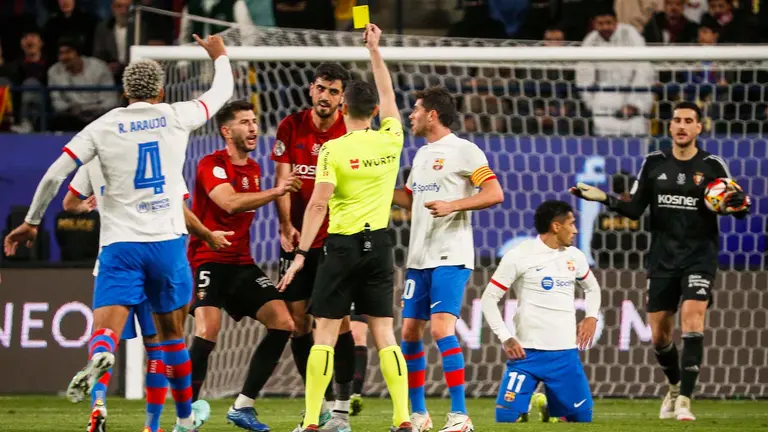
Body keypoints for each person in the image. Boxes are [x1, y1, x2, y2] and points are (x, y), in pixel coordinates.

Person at [3, 34, 234, 432]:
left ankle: (104, 354)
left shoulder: (101, 127)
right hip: (166, 242)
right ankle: (182, 420)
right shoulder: (178, 114)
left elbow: (56, 174)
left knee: (105, 330)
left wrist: (33, 221)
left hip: (120, 246)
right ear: (161, 91)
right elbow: (222, 91)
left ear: (125, 91)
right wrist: (221, 57)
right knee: (171, 338)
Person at [570, 101, 751, 421]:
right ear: (669, 127)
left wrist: (740, 207)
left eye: (688, 121)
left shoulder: (712, 165)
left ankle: (684, 400)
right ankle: (673, 385)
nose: (682, 126)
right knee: (659, 335)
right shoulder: (654, 163)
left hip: (700, 257)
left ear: (699, 127)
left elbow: (736, 204)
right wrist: (604, 199)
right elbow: (635, 209)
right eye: (677, 120)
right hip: (662, 259)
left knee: (692, 319)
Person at [277, 23, 411, 432]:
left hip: (340, 247)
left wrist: (300, 256)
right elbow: (388, 93)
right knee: (385, 335)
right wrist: (374, 50)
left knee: (324, 335)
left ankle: (312, 422)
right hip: (381, 247)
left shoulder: (333, 149)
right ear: (373, 112)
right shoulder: (391, 139)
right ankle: (403, 419)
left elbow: (318, 203)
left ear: (343, 108)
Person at [63, 157, 232, 432]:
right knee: (157, 348)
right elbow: (180, 210)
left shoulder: (96, 157)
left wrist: (86, 206)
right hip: (156, 260)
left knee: (104, 338)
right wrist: (207, 234)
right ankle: (153, 426)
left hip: (115, 258)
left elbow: (69, 203)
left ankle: (98, 406)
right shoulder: (161, 155)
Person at [391, 86, 503, 432]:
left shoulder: (464, 150)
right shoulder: (422, 155)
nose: (411, 115)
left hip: (451, 254)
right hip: (418, 257)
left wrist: (453, 205)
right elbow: (410, 200)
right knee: (409, 333)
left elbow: (494, 193)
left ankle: (460, 416)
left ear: (433, 115)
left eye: (416, 109)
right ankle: (421, 414)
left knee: (441, 329)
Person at [185, 99, 301, 431]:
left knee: (283, 323)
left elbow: (259, 199)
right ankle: (188, 413)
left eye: (254, 121)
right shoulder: (211, 163)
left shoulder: (253, 168)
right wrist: (277, 190)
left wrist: (284, 224)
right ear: (226, 130)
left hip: (241, 263)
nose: (253, 128)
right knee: (207, 331)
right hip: (210, 260)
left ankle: (243, 405)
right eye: (244, 122)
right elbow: (229, 203)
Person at [271, 63, 366, 427]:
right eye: (320, 88)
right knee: (297, 324)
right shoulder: (291, 126)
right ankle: (322, 405)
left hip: (337, 239)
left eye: (333, 91)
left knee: (339, 322)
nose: (325, 96)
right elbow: (283, 179)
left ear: (342, 98)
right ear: (311, 89)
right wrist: (286, 224)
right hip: (297, 239)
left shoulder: (351, 131)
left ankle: (341, 409)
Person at [481, 200, 601, 423]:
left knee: (582, 420)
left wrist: (591, 315)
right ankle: (526, 405)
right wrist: (506, 337)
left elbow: (592, 287)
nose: (575, 230)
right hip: (527, 355)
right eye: (571, 223)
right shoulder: (519, 256)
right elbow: (488, 299)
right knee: (505, 418)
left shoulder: (574, 256)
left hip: (564, 355)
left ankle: (549, 405)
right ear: (556, 226)